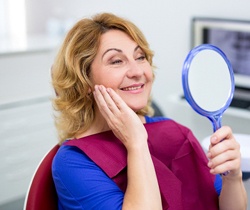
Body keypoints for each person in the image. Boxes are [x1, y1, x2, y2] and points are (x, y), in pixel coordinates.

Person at [51, 12, 247, 210]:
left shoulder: (176, 133)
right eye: (116, 61)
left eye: (140, 57)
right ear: (84, 81)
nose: (137, 72)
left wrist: (233, 178)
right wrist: (136, 144)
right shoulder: (73, 161)